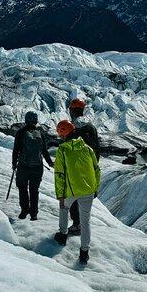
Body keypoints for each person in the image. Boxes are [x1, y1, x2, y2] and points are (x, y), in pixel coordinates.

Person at [53, 120, 101, 265]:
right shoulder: (87, 148)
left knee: (64, 208)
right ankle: (84, 253)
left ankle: (62, 235)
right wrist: (95, 188)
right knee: (85, 221)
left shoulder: (62, 150)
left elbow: (59, 174)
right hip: (88, 191)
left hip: (71, 191)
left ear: (63, 134)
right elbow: (97, 170)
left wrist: (60, 195)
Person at [67, 97, 100, 236]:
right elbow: (97, 149)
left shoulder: (72, 127)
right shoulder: (91, 126)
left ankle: (77, 224)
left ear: (72, 110)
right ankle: (83, 224)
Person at [12, 111, 53, 220]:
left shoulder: (20, 133)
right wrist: (49, 162)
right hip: (37, 167)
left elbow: (16, 150)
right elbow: (44, 150)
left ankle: (24, 211)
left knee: (22, 188)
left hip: (23, 166)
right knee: (34, 190)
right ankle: (34, 214)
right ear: (36, 120)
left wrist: (14, 164)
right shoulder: (40, 133)